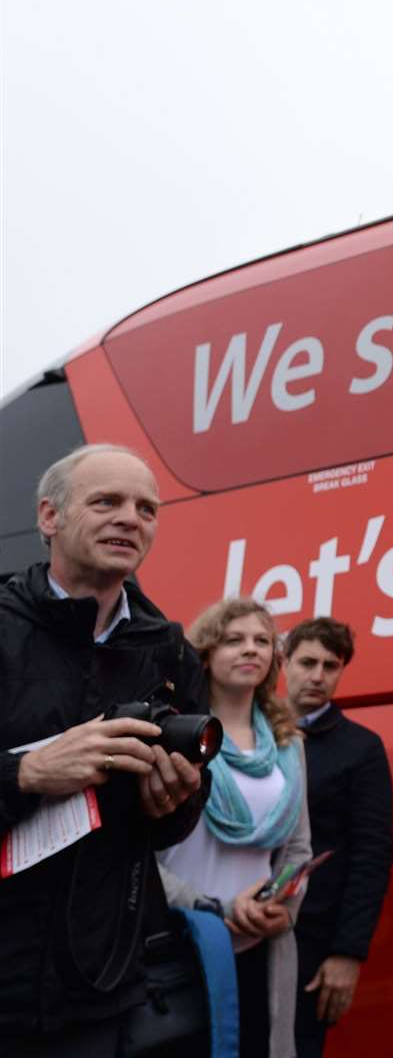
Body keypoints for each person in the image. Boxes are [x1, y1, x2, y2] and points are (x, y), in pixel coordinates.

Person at [0, 443, 211, 1055]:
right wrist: (28, 772)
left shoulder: (171, 651)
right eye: (107, 502)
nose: (130, 519)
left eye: (147, 509)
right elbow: (30, 776)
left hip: (101, 990)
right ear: (49, 517)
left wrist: (171, 801)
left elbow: (173, 827)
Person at [159, 598, 311, 1058]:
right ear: (205, 652)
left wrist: (283, 908)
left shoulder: (289, 744)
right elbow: (141, 855)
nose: (251, 650)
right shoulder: (176, 734)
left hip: (262, 946)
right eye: (234, 640)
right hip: (184, 940)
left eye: (262, 641)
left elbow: (298, 851)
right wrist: (215, 907)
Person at [280, 616, 393, 1057]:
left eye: (331, 665)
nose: (318, 676)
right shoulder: (251, 734)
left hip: (313, 941)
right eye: (307, 662)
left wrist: (348, 953)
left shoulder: (360, 748)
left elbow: (372, 854)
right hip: (242, 927)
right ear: (283, 663)